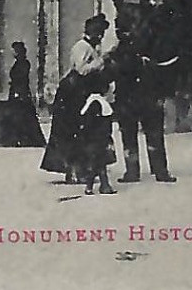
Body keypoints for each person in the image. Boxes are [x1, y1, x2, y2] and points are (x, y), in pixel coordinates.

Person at [40, 13, 110, 183]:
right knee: (71, 131)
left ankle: (83, 169)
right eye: (98, 32)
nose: (100, 36)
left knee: (84, 131)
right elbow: (81, 69)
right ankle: (73, 171)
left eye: (101, 33)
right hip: (71, 94)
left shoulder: (91, 47)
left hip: (81, 92)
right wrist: (101, 62)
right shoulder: (81, 47)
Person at [109, 13, 177, 183]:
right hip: (133, 98)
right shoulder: (121, 51)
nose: (123, 33)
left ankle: (154, 171)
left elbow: (162, 72)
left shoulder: (145, 49)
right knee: (139, 135)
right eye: (121, 30)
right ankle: (148, 171)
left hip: (142, 98)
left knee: (145, 135)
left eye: (126, 29)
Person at [70, 88, 117, 194]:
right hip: (97, 140)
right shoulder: (98, 103)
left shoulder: (91, 103)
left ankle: (99, 185)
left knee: (97, 163)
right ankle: (99, 186)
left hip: (92, 140)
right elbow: (99, 125)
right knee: (98, 163)